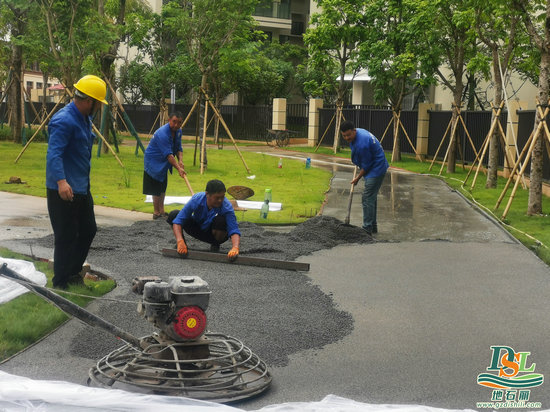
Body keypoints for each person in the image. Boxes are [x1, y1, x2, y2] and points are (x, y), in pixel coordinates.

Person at [46, 74, 108, 289]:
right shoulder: (64, 120)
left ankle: (73, 274)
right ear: (89, 101)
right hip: (63, 189)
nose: (100, 107)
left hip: (81, 187)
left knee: (88, 229)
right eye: (98, 103)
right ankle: (60, 283)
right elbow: (54, 155)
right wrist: (62, 182)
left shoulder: (84, 119)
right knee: (66, 236)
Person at [167, 179, 240, 261]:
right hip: (197, 228)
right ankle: (182, 246)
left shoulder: (227, 207)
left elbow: (234, 229)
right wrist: (179, 241)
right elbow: (178, 221)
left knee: (221, 220)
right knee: (174, 215)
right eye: (217, 198)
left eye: (222, 197)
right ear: (207, 194)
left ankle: (215, 244)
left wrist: (235, 247)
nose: (220, 200)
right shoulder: (196, 199)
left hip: (214, 235)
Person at [340, 120, 389, 235]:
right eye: (344, 136)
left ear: (354, 131)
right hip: (374, 165)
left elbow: (367, 165)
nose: (347, 138)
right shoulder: (359, 133)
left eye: (348, 135)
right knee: (372, 198)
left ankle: (367, 229)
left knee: (367, 198)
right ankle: (373, 226)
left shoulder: (362, 143)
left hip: (376, 168)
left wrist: (357, 179)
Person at [143, 112, 186, 219]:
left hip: (163, 162)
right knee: (156, 186)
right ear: (169, 120)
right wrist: (179, 169)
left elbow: (178, 148)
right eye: (174, 122)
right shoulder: (162, 133)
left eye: (179, 123)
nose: (176, 125)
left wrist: (181, 161)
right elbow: (169, 155)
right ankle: (156, 212)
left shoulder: (178, 132)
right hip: (153, 160)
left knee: (162, 185)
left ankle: (162, 211)